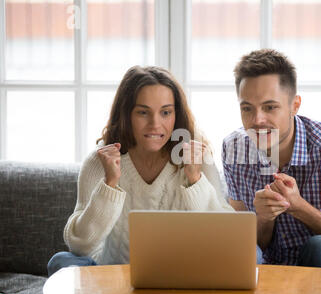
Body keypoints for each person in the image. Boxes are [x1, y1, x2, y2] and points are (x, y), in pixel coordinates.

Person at [222, 49, 321, 294]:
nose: (257, 120)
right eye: (247, 108)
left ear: (294, 105)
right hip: (275, 286)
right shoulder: (234, 148)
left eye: (270, 107)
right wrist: (263, 219)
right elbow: (251, 246)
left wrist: (299, 208)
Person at [48, 66, 233, 276]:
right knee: (61, 262)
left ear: (176, 115)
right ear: (126, 114)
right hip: (114, 276)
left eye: (166, 112)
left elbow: (225, 239)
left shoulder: (197, 158)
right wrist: (109, 185)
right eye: (143, 112)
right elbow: (79, 245)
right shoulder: (98, 161)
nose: (155, 124)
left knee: (252, 255)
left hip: (182, 274)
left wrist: (195, 179)